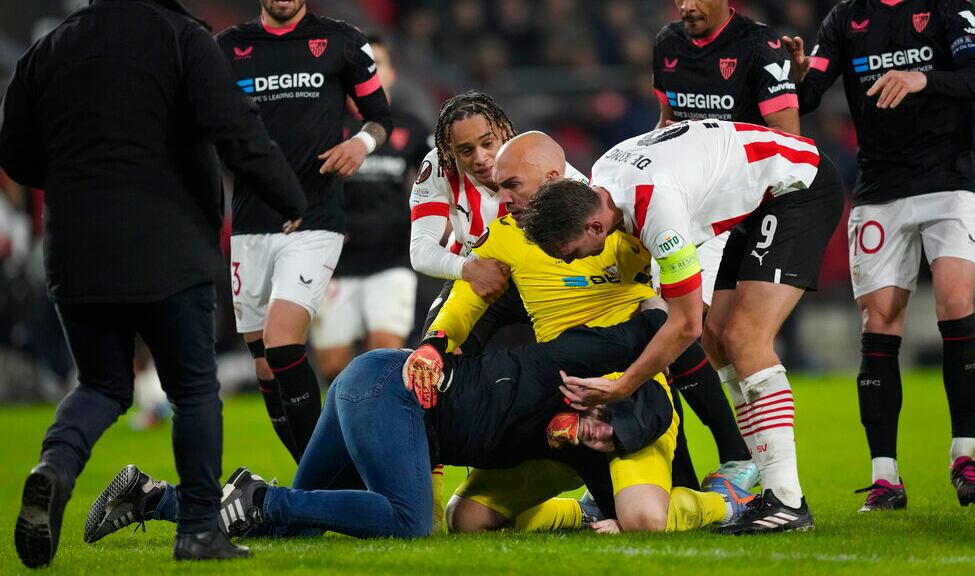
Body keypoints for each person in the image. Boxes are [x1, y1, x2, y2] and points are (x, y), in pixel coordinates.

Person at [0, 0, 307, 565]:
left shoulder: (48, 49)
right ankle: (198, 531)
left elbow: (14, 152)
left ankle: (54, 468)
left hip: (76, 250)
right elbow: (236, 129)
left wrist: (82, 176)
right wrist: (291, 198)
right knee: (192, 390)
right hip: (170, 247)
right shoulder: (183, 37)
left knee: (101, 385)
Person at [83, 311, 748, 543]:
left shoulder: (577, 451)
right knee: (408, 523)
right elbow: (661, 325)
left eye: (604, 445)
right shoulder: (567, 364)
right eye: (600, 427)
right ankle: (258, 496)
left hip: (375, 390)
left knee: (300, 526)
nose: (591, 439)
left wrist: (627, 509)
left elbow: (628, 501)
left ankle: (151, 497)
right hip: (391, 387)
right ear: (595, 399)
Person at [521, 119, 844, 534]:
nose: (570, 262)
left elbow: (686, 324)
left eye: (569, 253)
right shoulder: (603, 177)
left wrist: (623, 387)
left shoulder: (657, 210)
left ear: (594, 226)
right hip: (752, 198)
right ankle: (762, 482)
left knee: (745, 338)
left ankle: (787, 500)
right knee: (719, 340)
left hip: (796, 184)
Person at [781, 0, 975, 510]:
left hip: (948, 181)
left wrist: (923, 79)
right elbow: (808, 96)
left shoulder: (947, 6)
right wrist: (797, 76)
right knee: (879, 322)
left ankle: (964, 455)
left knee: (955, 302)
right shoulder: (845, 18)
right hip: (880, 189)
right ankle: (885, 477)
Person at [218, 0, 392, 463]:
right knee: (264, 364)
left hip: (315, 219)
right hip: (250, 225)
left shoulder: (342, 40)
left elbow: (381, 117)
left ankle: (325, 475)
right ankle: (312, 479)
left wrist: (361, 143)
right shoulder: (226, 49)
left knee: (281, 343)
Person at [651, 0, 804, 489]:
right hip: (689, 207)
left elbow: (789, 141)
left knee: (678, 329)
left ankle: (729, 460)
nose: (686, 5)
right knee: (707, 338)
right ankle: (741, 457)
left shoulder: (760, 46)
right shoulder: (668, 44)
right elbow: (667, 123)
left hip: (739, 209)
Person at [311, 35, 432, 380]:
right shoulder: (326, 125)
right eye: (363, 65)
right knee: (333, 366)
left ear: (392, 73)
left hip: (391, 258)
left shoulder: (410, 126)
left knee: (384, 352)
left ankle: (378, 412)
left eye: (377, 63)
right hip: (335, 261)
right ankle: (348, 410)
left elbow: (437, 179)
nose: (371, 71)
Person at [408, 90, 525, 351]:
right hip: (472, 274)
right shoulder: (439, 166)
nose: (481, 158)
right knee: (435, 357)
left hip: (536, 274)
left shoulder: (534, 155)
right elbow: (420, 250)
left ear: (503, 130)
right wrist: (468, 269)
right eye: (466, 150)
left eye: (487, 143)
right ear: (450, 151)